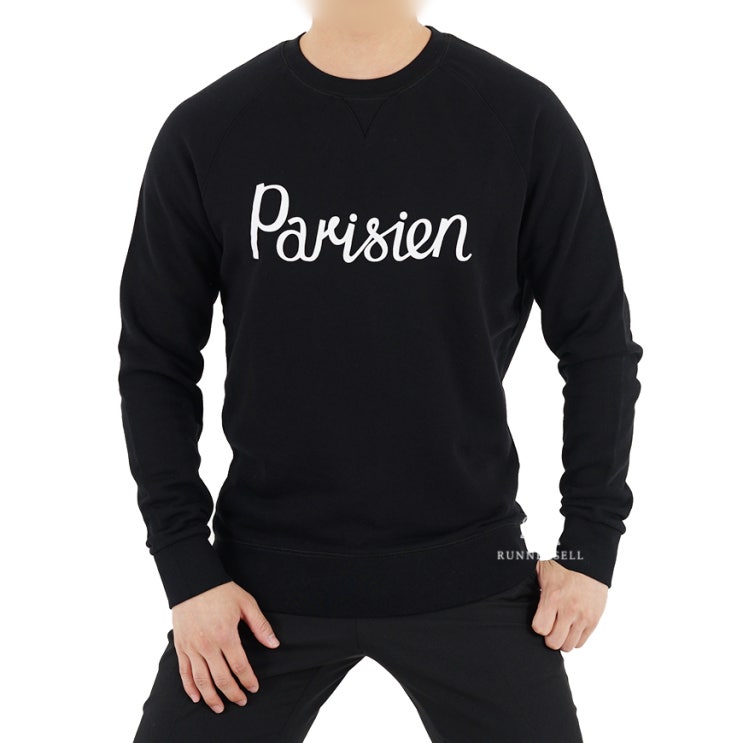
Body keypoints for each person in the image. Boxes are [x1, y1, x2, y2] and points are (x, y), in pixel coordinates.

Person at [117, 1, 643, 740]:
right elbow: (156, 360)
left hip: (474, 570)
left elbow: (598, 346)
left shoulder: (519, 119)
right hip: (255, 593)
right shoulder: (210, 129)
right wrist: (186, 572)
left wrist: (590, 545)